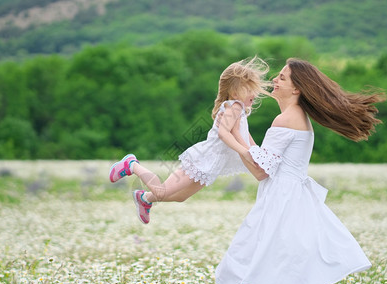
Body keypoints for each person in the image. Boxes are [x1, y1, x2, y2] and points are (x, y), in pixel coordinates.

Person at [215, 58, 387, 284]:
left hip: (280, 205)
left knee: (242, 279)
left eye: (282, 77)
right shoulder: (296, 117)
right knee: (269, 282)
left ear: (296, 89)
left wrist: (233, 134)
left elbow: (260, 171)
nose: (274, 80)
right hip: (287, 203)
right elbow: (262, 160)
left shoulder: (286, 119)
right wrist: (240, 133)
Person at [108, 56, 273, 224]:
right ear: (234, 91)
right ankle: (132, 165)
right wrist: (245, 152)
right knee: (161, 191)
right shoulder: (234, 107)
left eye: (254, 89)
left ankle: (144, 199)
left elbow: (245, 135)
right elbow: (224, 134)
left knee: (180, 197)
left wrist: (257, 153)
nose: (254, 93)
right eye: (249, 89)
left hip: (211, 164)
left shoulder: (240, 110)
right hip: (203, 159)